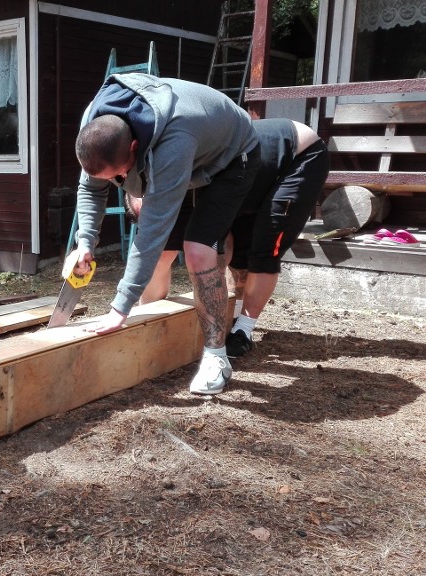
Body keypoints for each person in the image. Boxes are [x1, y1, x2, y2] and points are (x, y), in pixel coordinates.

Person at [71, 72, 261, 395]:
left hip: (232, 157)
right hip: (188, 153)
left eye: (119, 174)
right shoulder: (95, 121)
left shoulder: (174, 142)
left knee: (198, 249)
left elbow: (150, 234)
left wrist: (120, 306)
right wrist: (84, 241)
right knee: (162, 255)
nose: (117, 181)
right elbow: (90, 188)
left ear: (134, 146)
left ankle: (217, 357)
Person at [130, 118, 330, 357]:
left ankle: (243, 329)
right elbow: (160, 252)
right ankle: (217, 317)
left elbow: (218, 246)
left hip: (297, 157)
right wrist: (147, 320)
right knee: (168, 248)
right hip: (242, 174)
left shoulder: (187, 171)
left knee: (263, 248)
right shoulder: (151, 173)